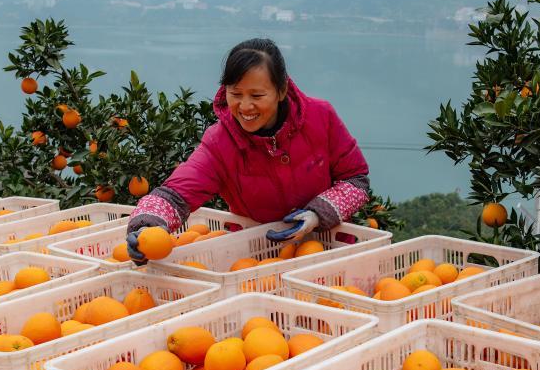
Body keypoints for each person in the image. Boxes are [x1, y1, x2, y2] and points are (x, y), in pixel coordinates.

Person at [126, 38, 370, 263]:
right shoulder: (221, 142)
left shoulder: (320, 117)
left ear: (281, 90)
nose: (245, 106)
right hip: (257, 259)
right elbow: (176, 195)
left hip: (330, 253)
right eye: (235, 94)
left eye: (257, 95)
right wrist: (145, 227)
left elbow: (355, 179)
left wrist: (317, 214)